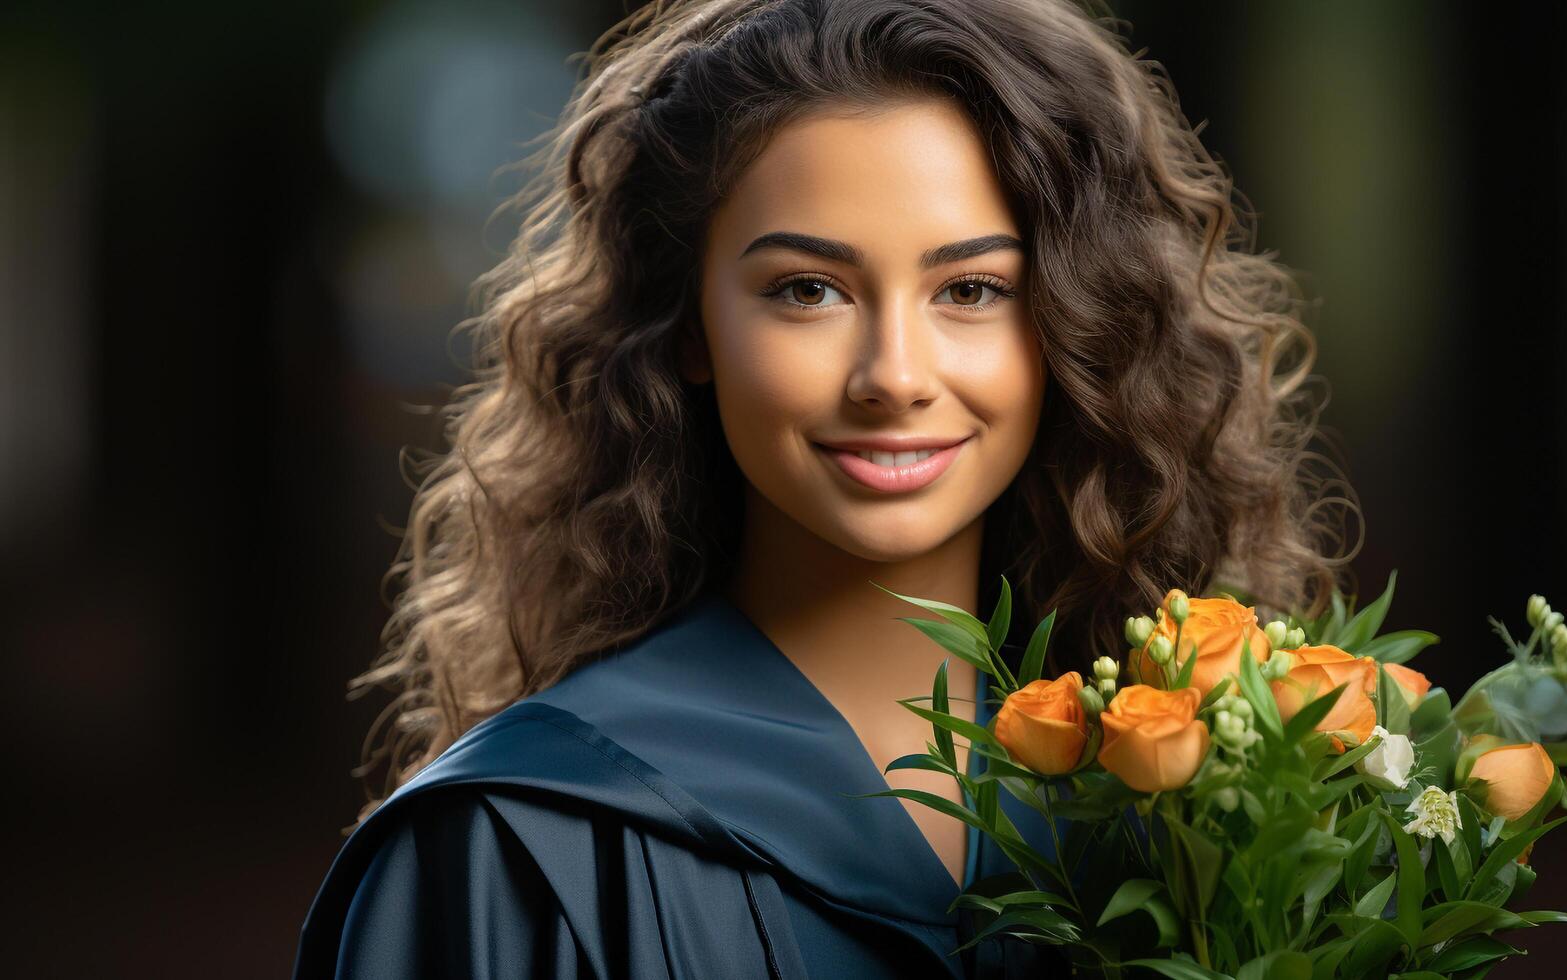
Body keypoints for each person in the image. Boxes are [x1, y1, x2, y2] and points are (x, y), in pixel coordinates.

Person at [292, 0, 1355, 976]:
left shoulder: (1198, 819)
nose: (893, 372)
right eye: (806, 290)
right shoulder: (514, 852)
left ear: (1075, 326)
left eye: (972, 289)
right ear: (689, 325)